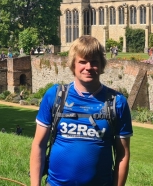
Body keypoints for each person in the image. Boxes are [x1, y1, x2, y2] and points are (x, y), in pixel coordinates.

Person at [30, 35, 133, 186]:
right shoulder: (55, 96)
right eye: (82, 62)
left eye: (94, 62)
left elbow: (122, 155)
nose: (88, 67)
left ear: (102, 65)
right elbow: (39, 145)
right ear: (73, 65)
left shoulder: (117, 102)